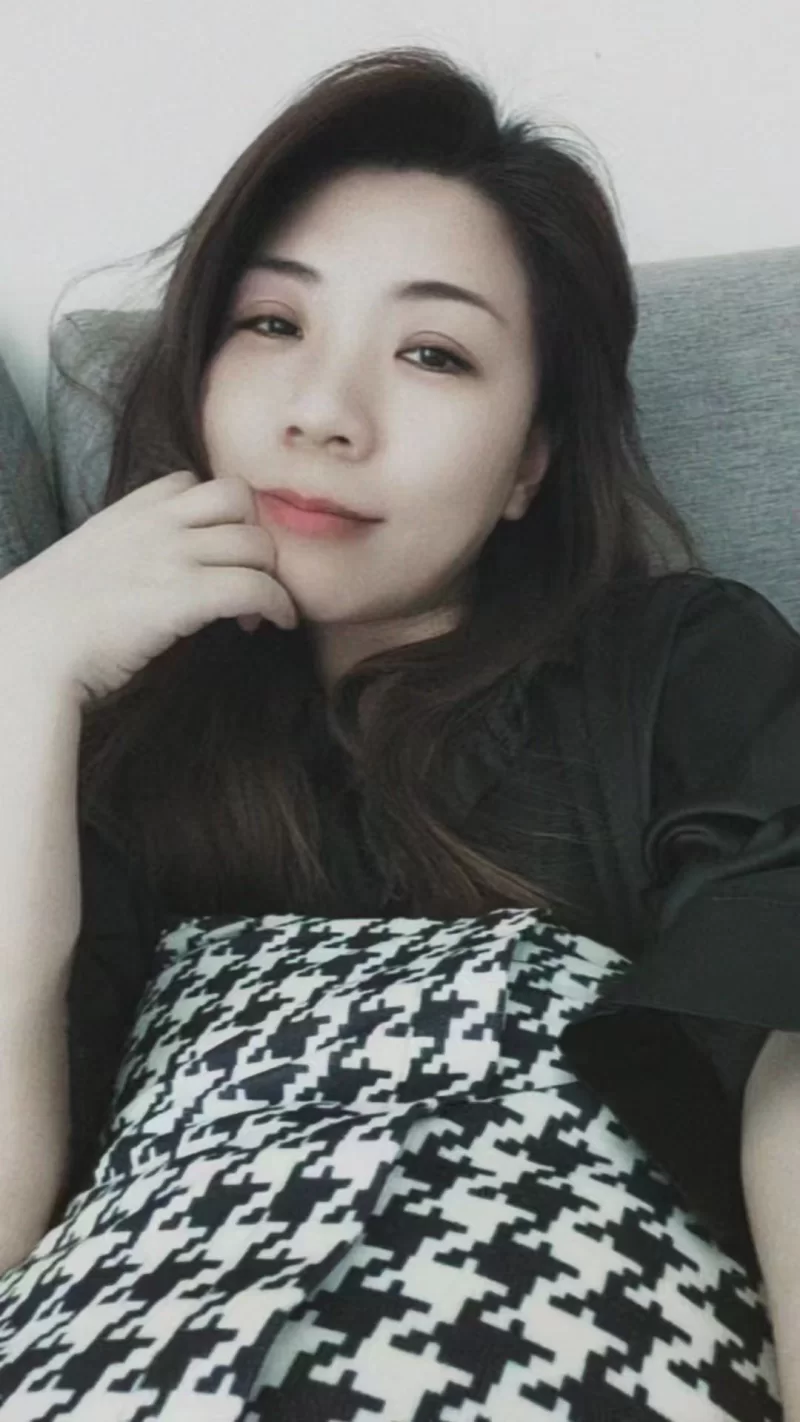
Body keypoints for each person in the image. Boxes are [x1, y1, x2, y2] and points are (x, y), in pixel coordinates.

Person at [1, 42, 799, 1419]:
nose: (322, 413)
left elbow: (788, 1021)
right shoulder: (111, 746)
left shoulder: (676, 662)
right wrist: (18, 675)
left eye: (433, 352)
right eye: (270, 324)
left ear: (531, 459)